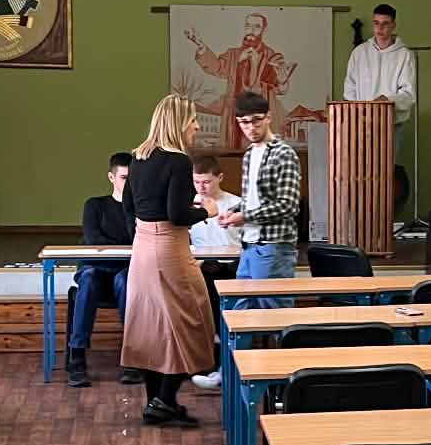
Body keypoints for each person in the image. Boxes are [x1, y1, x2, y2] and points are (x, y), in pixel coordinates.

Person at [120, 94, 215, 426]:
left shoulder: (138, 158)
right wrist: (206, 210)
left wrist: (144, 230)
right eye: (192, 120)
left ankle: (157, 403)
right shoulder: (178, 162)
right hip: (170, 248)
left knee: (150, 325)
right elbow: (178, 215)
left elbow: (127, 207)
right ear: (178, 123)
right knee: (192, 318)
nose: (196, 126)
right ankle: (164, 399)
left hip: (142, 248)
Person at [66, 151, 139, 389]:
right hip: (97, 270)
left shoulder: (140, 210)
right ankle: (77, 358)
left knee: (125, 280)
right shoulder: (95, 205)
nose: (130, 184)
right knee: (88, 279)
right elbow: (93, 239)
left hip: (124, 273)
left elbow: (140, 241)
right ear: (111, 177)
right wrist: (124, 246)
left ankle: (132, 357)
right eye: (125, 178)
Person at [224, 89, 303, 307]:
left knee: (273, 313)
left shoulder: (284, 154)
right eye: (244, 122)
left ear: (268, 117)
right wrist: (232, 211)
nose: (251, 127)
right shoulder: (250, 153)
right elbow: (251, 198)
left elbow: (288, 205)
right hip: (249, 244)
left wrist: (244, 217)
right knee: (240, 311)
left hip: (273, 245)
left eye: (256, 120)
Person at [185, 12, 297, 147]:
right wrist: (201, 46)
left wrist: (283, 81)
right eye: (248, 26)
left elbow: (279, 89)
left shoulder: (272, 56)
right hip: (234, 118)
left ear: (264, 30)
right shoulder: (233, 54)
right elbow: (216, 67)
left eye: (256, 27)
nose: (251, 30)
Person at [188, 151, 241, 393]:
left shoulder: (236, 204)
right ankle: (210, 364)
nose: (201, 187)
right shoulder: (189, 206)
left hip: (232, 268)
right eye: (197, 182)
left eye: (207, 182)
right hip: (200, 269)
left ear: (219, 177)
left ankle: (223, 367)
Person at [342, 2, 416, 118]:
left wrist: (387, 101)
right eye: (376, 23)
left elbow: (408, 94)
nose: (380, 28)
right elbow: (350, 88)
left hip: (391, 122)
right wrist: (360, 112)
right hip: (361, 121)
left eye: (385, 23)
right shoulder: (359, 52)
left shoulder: (404, 55)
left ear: (393, 25)